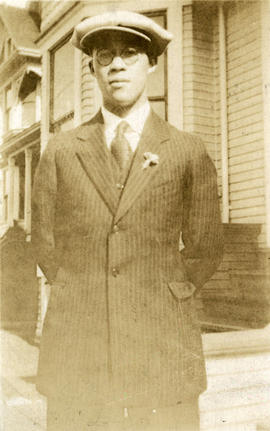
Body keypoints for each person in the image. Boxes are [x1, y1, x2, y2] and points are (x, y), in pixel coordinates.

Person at [31, 10, 223, 431]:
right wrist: (83, 291)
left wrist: (163, 294)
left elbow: (206, 247)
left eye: (131, 53)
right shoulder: (62, 151)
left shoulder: (187, 150)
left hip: (162, 344)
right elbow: (44, 243)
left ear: (152, 65)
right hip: (80, 346)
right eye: (105, 56)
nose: (117, 64)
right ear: (93, 69)